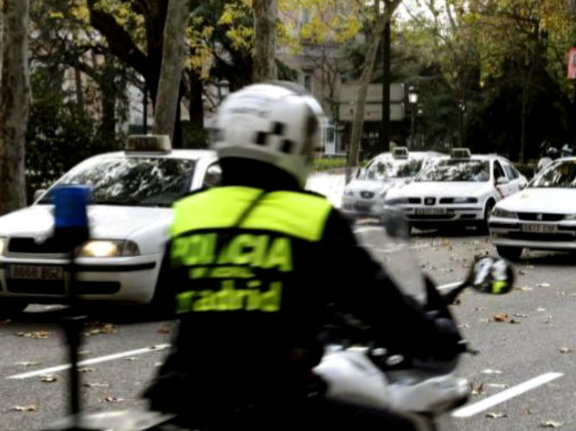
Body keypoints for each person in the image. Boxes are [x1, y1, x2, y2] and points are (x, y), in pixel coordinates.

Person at [143, 82, 462, 430]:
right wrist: (434, 335)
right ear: (292, 144)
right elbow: (378, 302)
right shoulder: (311, 219)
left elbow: (187, 299)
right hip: (269, 404)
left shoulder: (188, 214)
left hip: (187, 399)